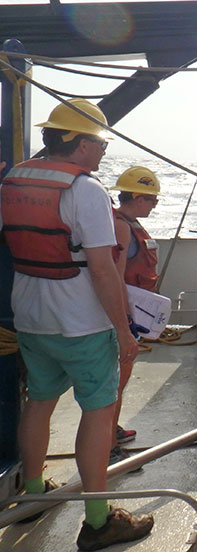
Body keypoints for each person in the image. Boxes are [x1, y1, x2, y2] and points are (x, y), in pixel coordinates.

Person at [0, 98, 154, 549]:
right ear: (81, 143)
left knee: (40, 402)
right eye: (100, 143)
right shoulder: (86, 191)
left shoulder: (13, 179)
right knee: (98, 410)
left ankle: (32, 493)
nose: (104, 151)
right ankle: (99, 519)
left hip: (30, 317)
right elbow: (104, 269)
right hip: (81, 324)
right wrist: (124, 331)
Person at [108, 165, 161, 464]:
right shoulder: (121, 227)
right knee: (115, 381)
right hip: (125, 315)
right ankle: (108, 446)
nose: (155, 205)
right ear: (138, 197)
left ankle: (110, 429)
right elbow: (114, 274)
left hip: (135, 313)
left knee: (121, 379)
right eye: (152, 199)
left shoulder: (130, 223)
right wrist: (124, 321)